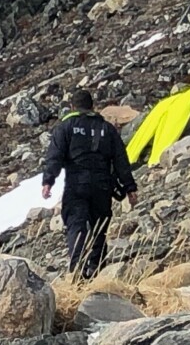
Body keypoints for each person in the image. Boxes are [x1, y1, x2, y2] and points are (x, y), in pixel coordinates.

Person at [42, 90, 138, 278]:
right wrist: (130, 187)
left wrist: (48, 182)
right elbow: (121, 160)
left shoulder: (65, 127)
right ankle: (96, 270)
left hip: (76, 185)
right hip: (102, 186)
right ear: (92, 106)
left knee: (77, 225)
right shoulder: (107, 129)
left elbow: (55, 157)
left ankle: (77, 271)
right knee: (99, 228)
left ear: (72, 107)